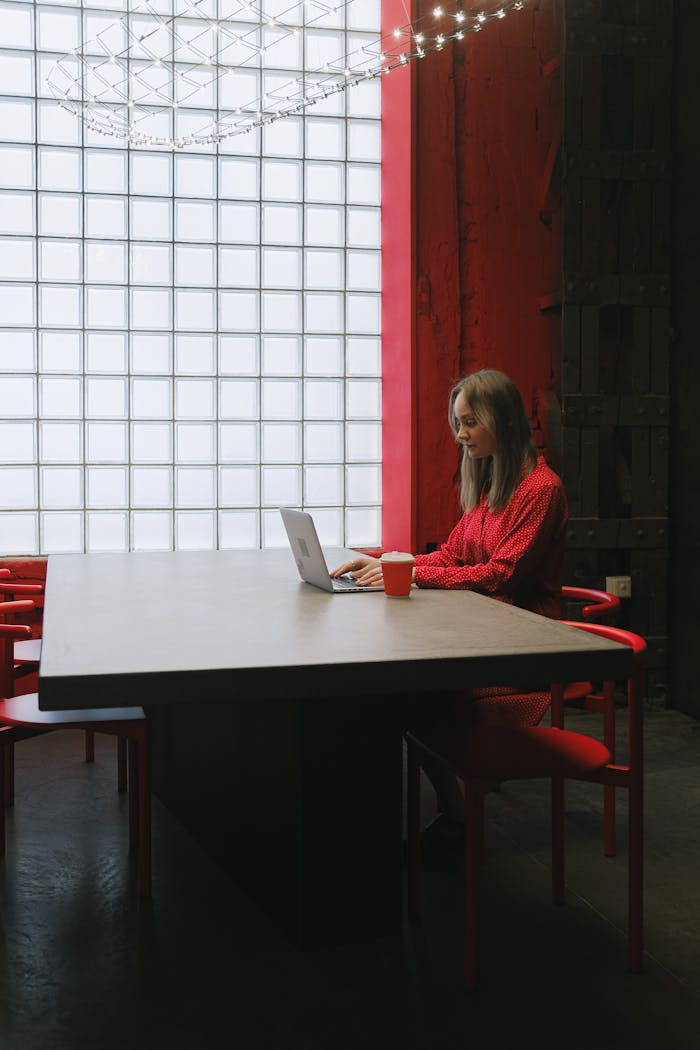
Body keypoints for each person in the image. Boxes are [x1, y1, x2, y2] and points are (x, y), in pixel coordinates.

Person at [331, 368, 569, 842]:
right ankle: (450, 809)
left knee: (410, 690)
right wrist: (390, 563)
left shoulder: (541, 489)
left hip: (522, 640)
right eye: (457, 423)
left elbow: (500, 573)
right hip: (483, 627)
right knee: (404, 687)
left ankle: (452, 811)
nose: (460, 435)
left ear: (500, 420)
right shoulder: (490, 485)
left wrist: (416, 575)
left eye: (469, 423)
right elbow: (453, 555)